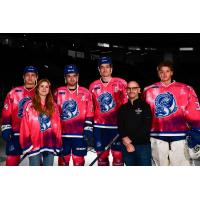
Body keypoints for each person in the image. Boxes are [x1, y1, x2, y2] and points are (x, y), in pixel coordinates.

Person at [143, 61, 200, 166]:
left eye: (167, 71)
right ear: (158, 73)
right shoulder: (148, 90)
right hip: (157, 135)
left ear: (172, 72)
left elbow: (194, 113)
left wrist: (197, 131)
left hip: (180, 135)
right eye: (161, 72)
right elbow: (143, 115)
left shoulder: (186, 89)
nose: (164, 74)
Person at [89, 56, 127, 166]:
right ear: (99, 69)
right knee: (102, 157)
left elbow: (126, 107)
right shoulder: (93, 85)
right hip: (99, 127)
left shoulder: (121, 83)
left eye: (107, 67)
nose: (105, 70)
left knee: (118, 157)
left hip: (116, 127)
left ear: (111, 69)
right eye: (102, 67)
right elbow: (91, 108)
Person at [54, 64, 94, 166]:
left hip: (80, 135)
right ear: (65, 78)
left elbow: (90, 112)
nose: (72, 78)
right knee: (63, 162)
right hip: (62, 135)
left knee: (79, 162)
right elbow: (52, 113)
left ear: (78, 76)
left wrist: (88, 128)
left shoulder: (86, 92)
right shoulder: (58, 92)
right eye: (69, 76)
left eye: (74, 75)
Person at [1, 66, 38, 166]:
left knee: (37, 163)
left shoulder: (42, 93)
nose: (30, 78)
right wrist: (6, 127)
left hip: (35, 135)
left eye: (33, 75)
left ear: (36, 77)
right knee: (11, 161)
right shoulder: (13, 93)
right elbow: (6, 112)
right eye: (27, 75)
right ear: (23, 77)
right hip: (16, 133)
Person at [20, 79, 62, 166]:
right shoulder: (29, 105)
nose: (44, 88)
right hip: (34, 144)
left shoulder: (54, 106)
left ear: (49, 90)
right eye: (41, 86)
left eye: (46, 86)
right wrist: (27, 143)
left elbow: (57, 126)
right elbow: (24, 125)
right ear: (37, 88)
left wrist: (58, 142)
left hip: (50, 143)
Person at [118, 81, 152, 166]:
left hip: (143, 146)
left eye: (134, 88)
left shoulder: (145, 106)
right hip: (126, 147)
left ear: (139, 90)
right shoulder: (122, 108)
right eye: (129, 88)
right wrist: (125, 141)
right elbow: (120, 126)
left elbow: (146, 126)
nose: (131, 90)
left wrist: (129, 142)